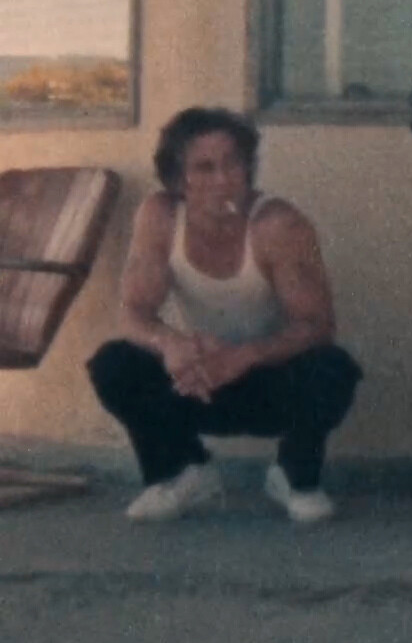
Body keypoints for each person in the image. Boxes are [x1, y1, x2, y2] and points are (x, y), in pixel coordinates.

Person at [86, 107, 363, 525]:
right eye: (205, 168)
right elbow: (133, 312)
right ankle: (182, 472)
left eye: (232, 163)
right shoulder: (160, 215)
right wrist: (171, 344)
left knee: (332, 369)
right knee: (114, 362)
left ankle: (295, 476)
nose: (223, 179)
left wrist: (245, 356)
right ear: (179, 178)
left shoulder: (278, 224)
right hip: (198, 379)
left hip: (268, 380)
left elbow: (317, 325)